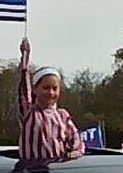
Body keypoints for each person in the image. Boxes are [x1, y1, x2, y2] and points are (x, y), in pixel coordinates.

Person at [17, 37, 85, 165]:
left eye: (55, 88)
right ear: (35, 89)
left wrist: (74, 153)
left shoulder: (62, 115)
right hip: (30, 172)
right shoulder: (30, 112)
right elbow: (23, 87)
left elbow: (76, 140)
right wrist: (25, 56)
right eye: (46, 88)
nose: (50, 93)